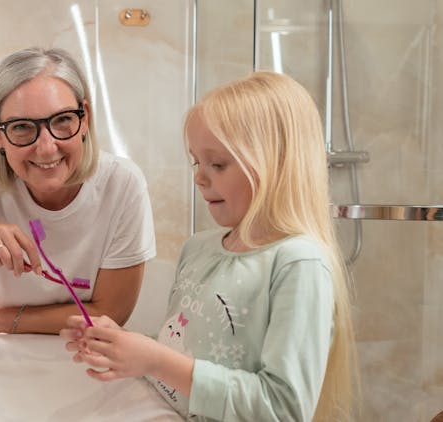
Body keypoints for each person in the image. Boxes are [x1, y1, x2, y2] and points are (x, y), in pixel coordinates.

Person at [61, 72, 358, 421]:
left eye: (217, 164)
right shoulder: (199, 249)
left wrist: (155, 359)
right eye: (196, 162)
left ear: (277, 164)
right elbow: (186, 351)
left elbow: (284, 409)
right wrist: (121, 344)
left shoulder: (298, 263)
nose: (199, 177)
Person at [0, 47, 156, 341]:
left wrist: (7, 318)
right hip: (10, 362)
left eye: (63, 120)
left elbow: (109, 313)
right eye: (22, 127)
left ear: (84, 118)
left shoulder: (122, 185)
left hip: (86, 357)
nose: (47, 147)